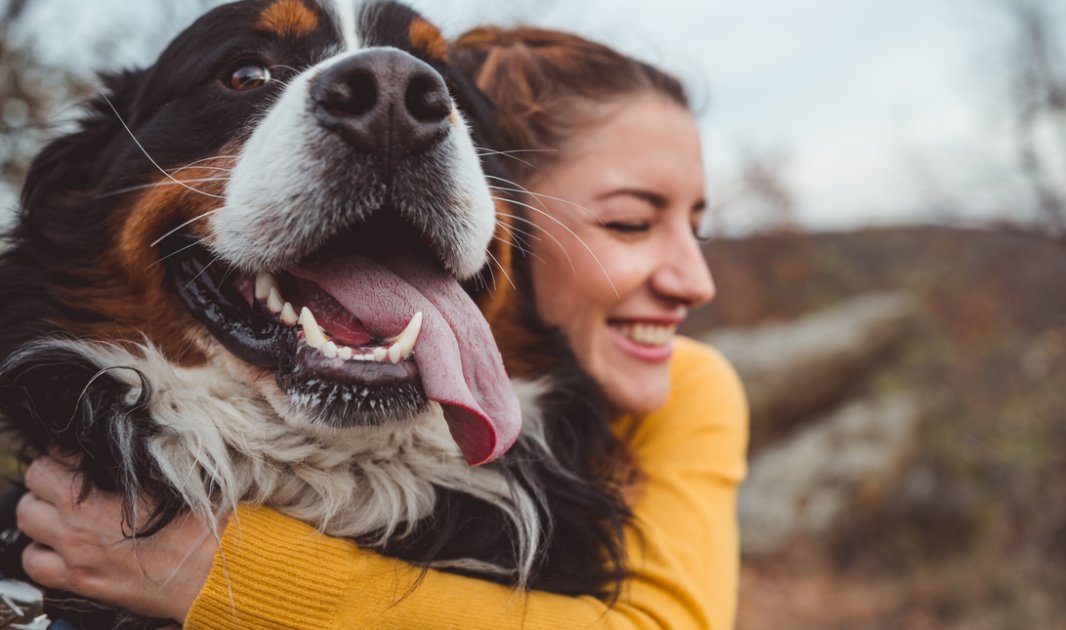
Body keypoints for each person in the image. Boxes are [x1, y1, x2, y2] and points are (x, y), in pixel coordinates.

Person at [17, 26, 748, 629]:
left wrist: (213, 572)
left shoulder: (689, 385)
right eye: (244, 75)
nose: (696, 282)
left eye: (697, 225)